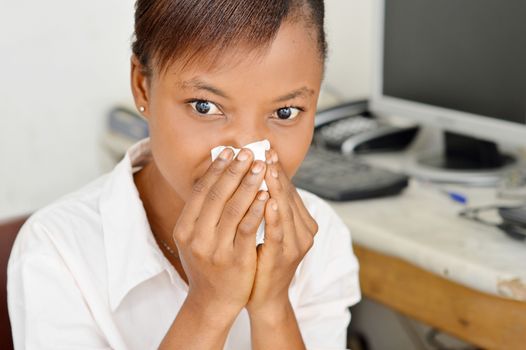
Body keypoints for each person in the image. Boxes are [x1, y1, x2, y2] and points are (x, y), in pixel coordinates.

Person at [7, 0, 361, 349]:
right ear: (143, 86)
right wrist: (209, 306)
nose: (248, 152)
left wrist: (272, 308)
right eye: (205, 107)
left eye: (285, 112)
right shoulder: (55, 251)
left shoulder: (319, 237)